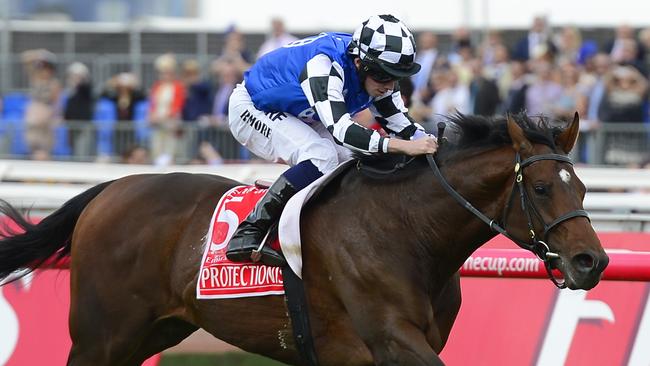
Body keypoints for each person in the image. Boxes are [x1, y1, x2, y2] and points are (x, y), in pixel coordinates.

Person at [226, 14, 437, 266]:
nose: (390, 86)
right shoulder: (324, 65)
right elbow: (342, 130)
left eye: (396, 77)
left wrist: (434, 144)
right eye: (383, 76)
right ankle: (250, 231)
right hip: (252, 106)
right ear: (360, 63)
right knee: (321, 155)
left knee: (349, 160)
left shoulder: (376, 75)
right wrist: (400, 146)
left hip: (297, 112)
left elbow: (404, 127)